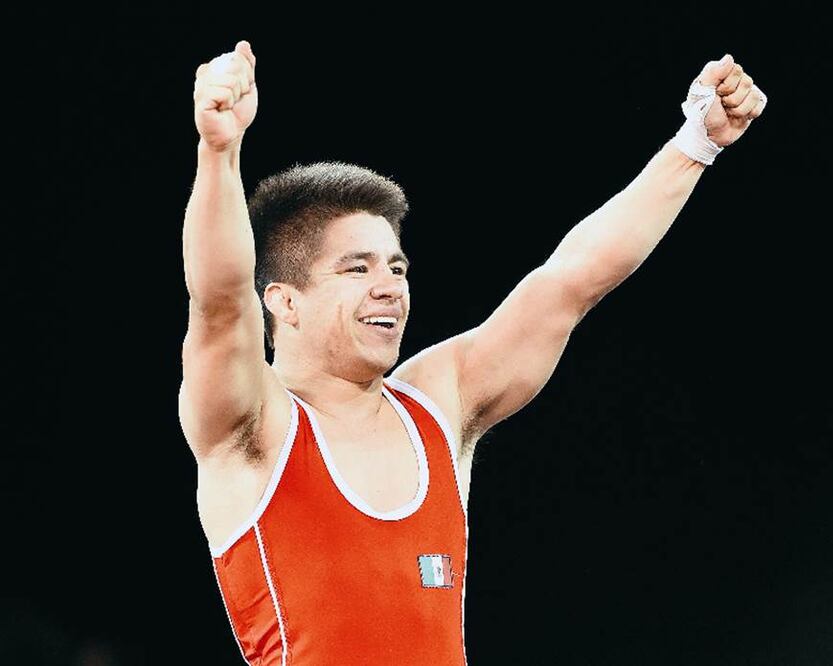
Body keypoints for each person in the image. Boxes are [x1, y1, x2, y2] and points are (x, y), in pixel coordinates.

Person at [179, 39, 767, 665]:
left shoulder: (439, 401)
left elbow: (572, 280)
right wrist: (219, 152)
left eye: (397, 266)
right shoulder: (252, 427)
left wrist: (695, 144)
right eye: (357, 268)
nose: (390, 285)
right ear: (284, 302)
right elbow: (218, 302)